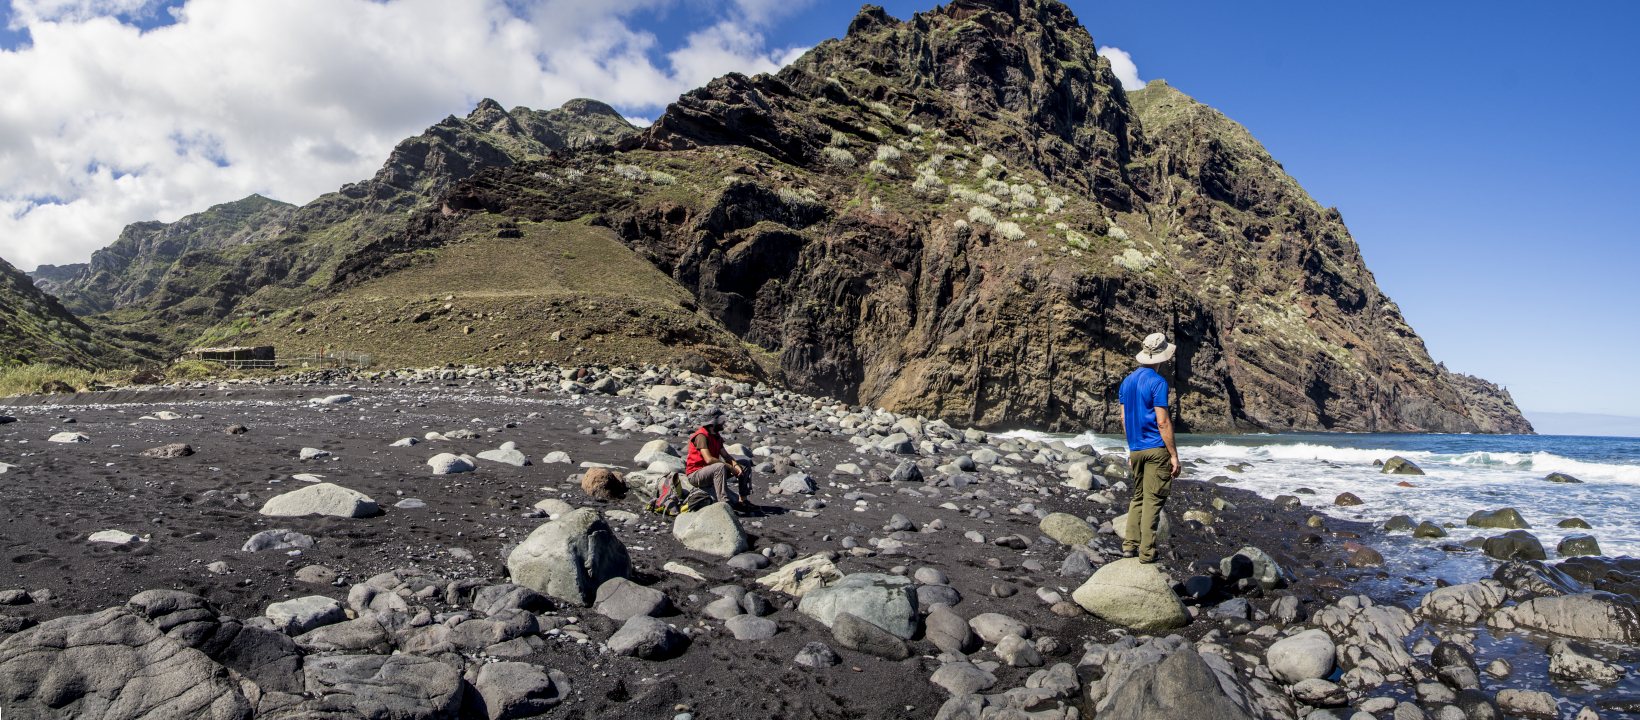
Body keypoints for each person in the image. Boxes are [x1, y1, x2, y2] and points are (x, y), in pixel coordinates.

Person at [1118, 332, 1181, 564]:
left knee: (1138, 497)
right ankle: (1147, 552)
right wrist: (1173, 455)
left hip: (1136, 449)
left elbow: (1124, 419)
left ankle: (1129, 545)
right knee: (1153, 500)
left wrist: (1132, 450)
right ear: (1162, 357)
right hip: (1156, 448)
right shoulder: (1158, 382)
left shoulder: (1127, 382)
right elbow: (1162, 421)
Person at [684, 408, 752, 509]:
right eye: (720, 421)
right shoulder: (701, 436)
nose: (723, 423)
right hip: (696, 474)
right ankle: (724, 503)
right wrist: (730, 467)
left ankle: (743, 500)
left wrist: (736, 465)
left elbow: (726, 456)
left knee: (745, 464)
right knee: (719, 467)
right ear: (712, 422)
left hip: (711, 471)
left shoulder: (716, 436)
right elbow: (709, 459)